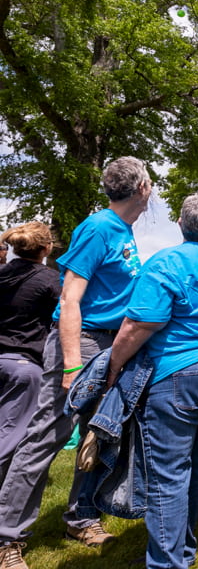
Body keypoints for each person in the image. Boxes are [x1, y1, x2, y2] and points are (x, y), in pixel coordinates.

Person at [0, 157, 151, 563]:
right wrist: (70, 363)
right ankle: (6, 538)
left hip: (108, 345)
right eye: (151, 183)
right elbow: (69, 299)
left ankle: (81, 518)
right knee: (45, 437)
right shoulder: (99, 227)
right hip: (81, 344)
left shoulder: (122, 231)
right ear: (143, 188)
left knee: (97, 435)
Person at [103, 192, 198, 569]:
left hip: (177, 373)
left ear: (180, 224)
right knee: (196, 466)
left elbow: (138, 323)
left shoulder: (168, 260)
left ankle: (166, 562)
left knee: (168, 473)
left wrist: (113, 365)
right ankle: (182, 549)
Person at [0, 223, 61, 568]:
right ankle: (6, 534)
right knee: (12, 445)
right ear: (46, 248)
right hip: (24, 367)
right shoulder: (49, 281)